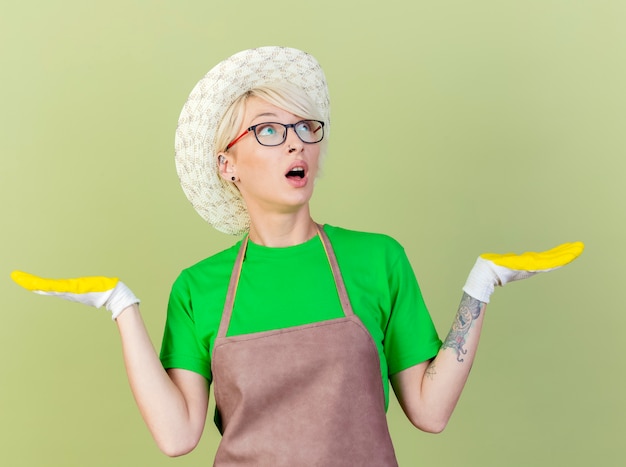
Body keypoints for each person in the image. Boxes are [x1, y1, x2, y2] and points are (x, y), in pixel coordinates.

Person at [11, 46, 583, 466]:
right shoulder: (199, 288)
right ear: (226, 165)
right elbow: (178, 435)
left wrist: (481, 286)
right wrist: (120, 305)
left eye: (304, 128)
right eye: (268, 131)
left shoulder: (377, 260)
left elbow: (429, 412)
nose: (295, 142)